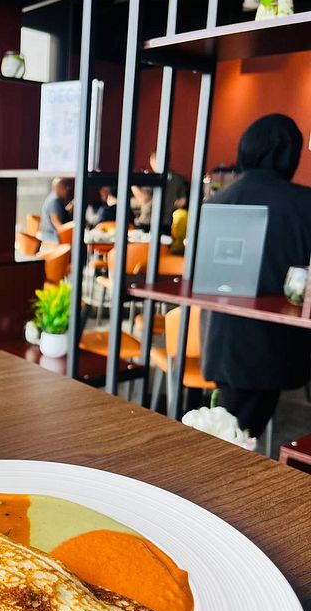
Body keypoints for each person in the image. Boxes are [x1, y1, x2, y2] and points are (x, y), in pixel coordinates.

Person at [201, 114, 311, 437]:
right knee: (237, 435)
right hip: (276, 346)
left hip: (219, 340)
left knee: (227, 429)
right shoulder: (304, 203)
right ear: (288, 153)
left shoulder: (216, 201)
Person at [132, 151, 188, 233]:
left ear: (153, 160)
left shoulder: (153, 178)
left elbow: (143, 199)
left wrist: (131, 183)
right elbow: (183, 201)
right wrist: (169, 205)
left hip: (147, 223)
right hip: (166, 224)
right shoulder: (178, 178)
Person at [39, 178, 73, 242]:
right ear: (59, 188)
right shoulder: (54, 201)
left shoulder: (52, 198)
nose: (67, 191)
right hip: (51, 237)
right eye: (66, 188)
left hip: (49, 235)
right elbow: (56, 222)